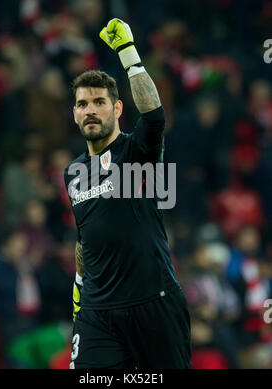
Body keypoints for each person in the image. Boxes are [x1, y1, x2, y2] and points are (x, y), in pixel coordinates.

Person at [64, 18, 191, 369]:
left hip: (154, 302)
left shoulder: (137, 152)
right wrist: (78, 286)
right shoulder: (72, 173)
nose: (91, 109)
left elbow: (153, 116)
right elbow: (87, 238)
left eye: (100, 102)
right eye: (83, 104)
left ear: (117, 109)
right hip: (97, 312)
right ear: (75, 114)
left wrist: (128, 55)